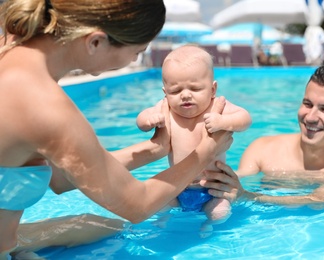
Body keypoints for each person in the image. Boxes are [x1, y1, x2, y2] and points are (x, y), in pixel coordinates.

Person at [0, 0, 233, 258]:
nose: (134, 60)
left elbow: (62, 178)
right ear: (96, 42)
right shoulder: (44, 106)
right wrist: (205, 151)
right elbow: (137, 205)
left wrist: (153, 149)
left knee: (97, 225)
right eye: (137, 52)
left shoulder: (10, 51)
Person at [202, 64, 324, 206]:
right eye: (307, 104)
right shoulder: (263, 149)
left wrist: (248, 196)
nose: (310, 117)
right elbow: (239, 180)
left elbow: (315, 202)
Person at [136, 45, 252, 234]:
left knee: (220, 213)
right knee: (156, 205)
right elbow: (142, 119)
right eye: (175, 91)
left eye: (195, 88)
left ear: (213, 89)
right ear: (165, 92)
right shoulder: (166, 109)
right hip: (177, 188)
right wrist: (148, 120)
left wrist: (223, 121)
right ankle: (162, 223)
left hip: (212, 190)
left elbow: (245, 119)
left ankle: (208, 226)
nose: (185, 95)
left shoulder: (217, 107)